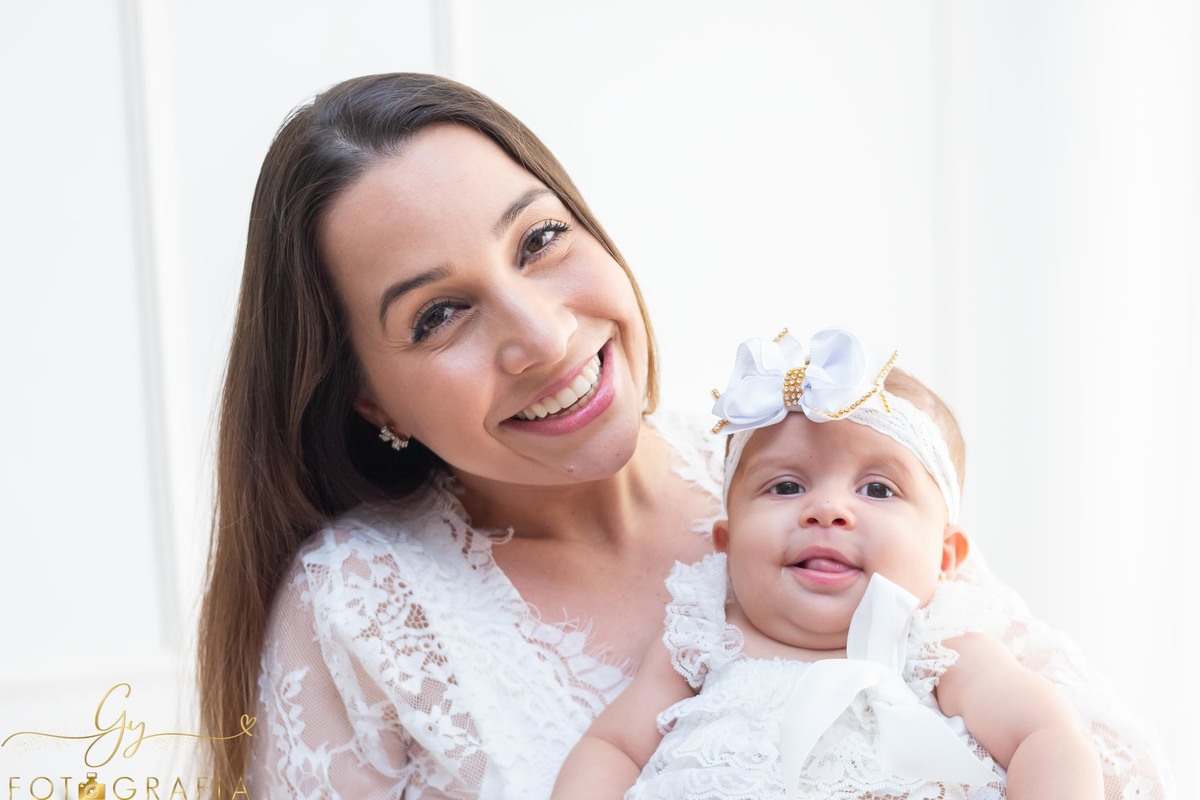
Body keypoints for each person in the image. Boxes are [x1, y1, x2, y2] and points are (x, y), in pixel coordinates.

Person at [196, 72, 721, 798]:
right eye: (439, 314)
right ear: (373, 402)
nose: (545, 335)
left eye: (539, 239)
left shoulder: (810, 465)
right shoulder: (362, 611)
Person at [553, 328, 1173, 800]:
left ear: (946, 557)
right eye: (786, 487)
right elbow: (612, 747)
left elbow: (1047, 736)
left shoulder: (938, 647)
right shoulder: (705, 637)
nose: (828, 509)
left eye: (877, 490)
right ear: (726, 541)